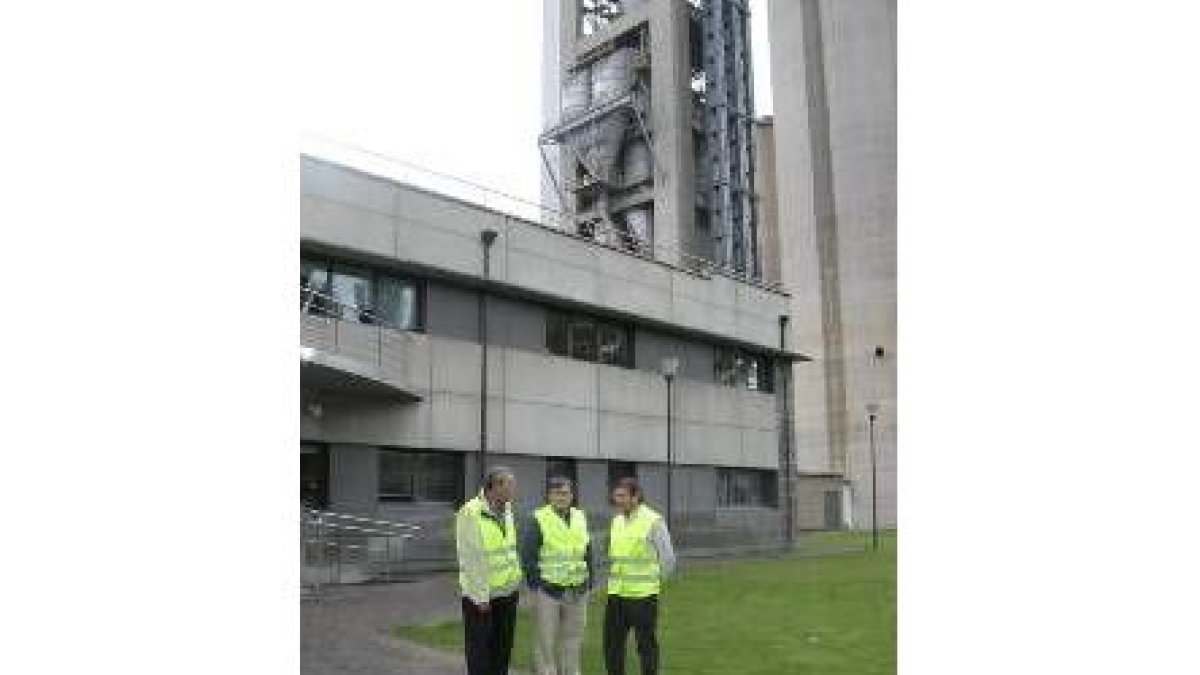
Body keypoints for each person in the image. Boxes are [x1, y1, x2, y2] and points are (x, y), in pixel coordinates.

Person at [520, 476, 594, 675]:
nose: (562, 497)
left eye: (566, 493)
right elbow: (527, 556)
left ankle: (571, 671)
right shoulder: (538, 518)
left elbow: (587, 550)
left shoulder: (579, 516)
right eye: (557, 493)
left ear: (572, 496)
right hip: (548, 592)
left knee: (573, 639)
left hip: (577, 590)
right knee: (545, 641)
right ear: (549, 495)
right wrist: (538, 585)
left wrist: (589, 581)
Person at [603, 477, 676, 675]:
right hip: (616, 595)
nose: (617, 500)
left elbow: (667, 559)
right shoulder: (616, 521)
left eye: (622, 496)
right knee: (612, 646)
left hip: (643, 598)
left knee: (646, 646)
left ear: (636, 496)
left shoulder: (653, 521)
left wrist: (654, 583)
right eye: (616, 495)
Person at [456, 467, 523, 675]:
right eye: (509, 485)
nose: (513, 490)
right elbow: (470, 557)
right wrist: (481, 596)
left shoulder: (508, 509)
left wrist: (514, 585)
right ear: (493, 487)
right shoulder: (470, 512)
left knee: (502, 650)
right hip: (482, 598)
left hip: (507, 593)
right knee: (480, 652)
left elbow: (508, 549)